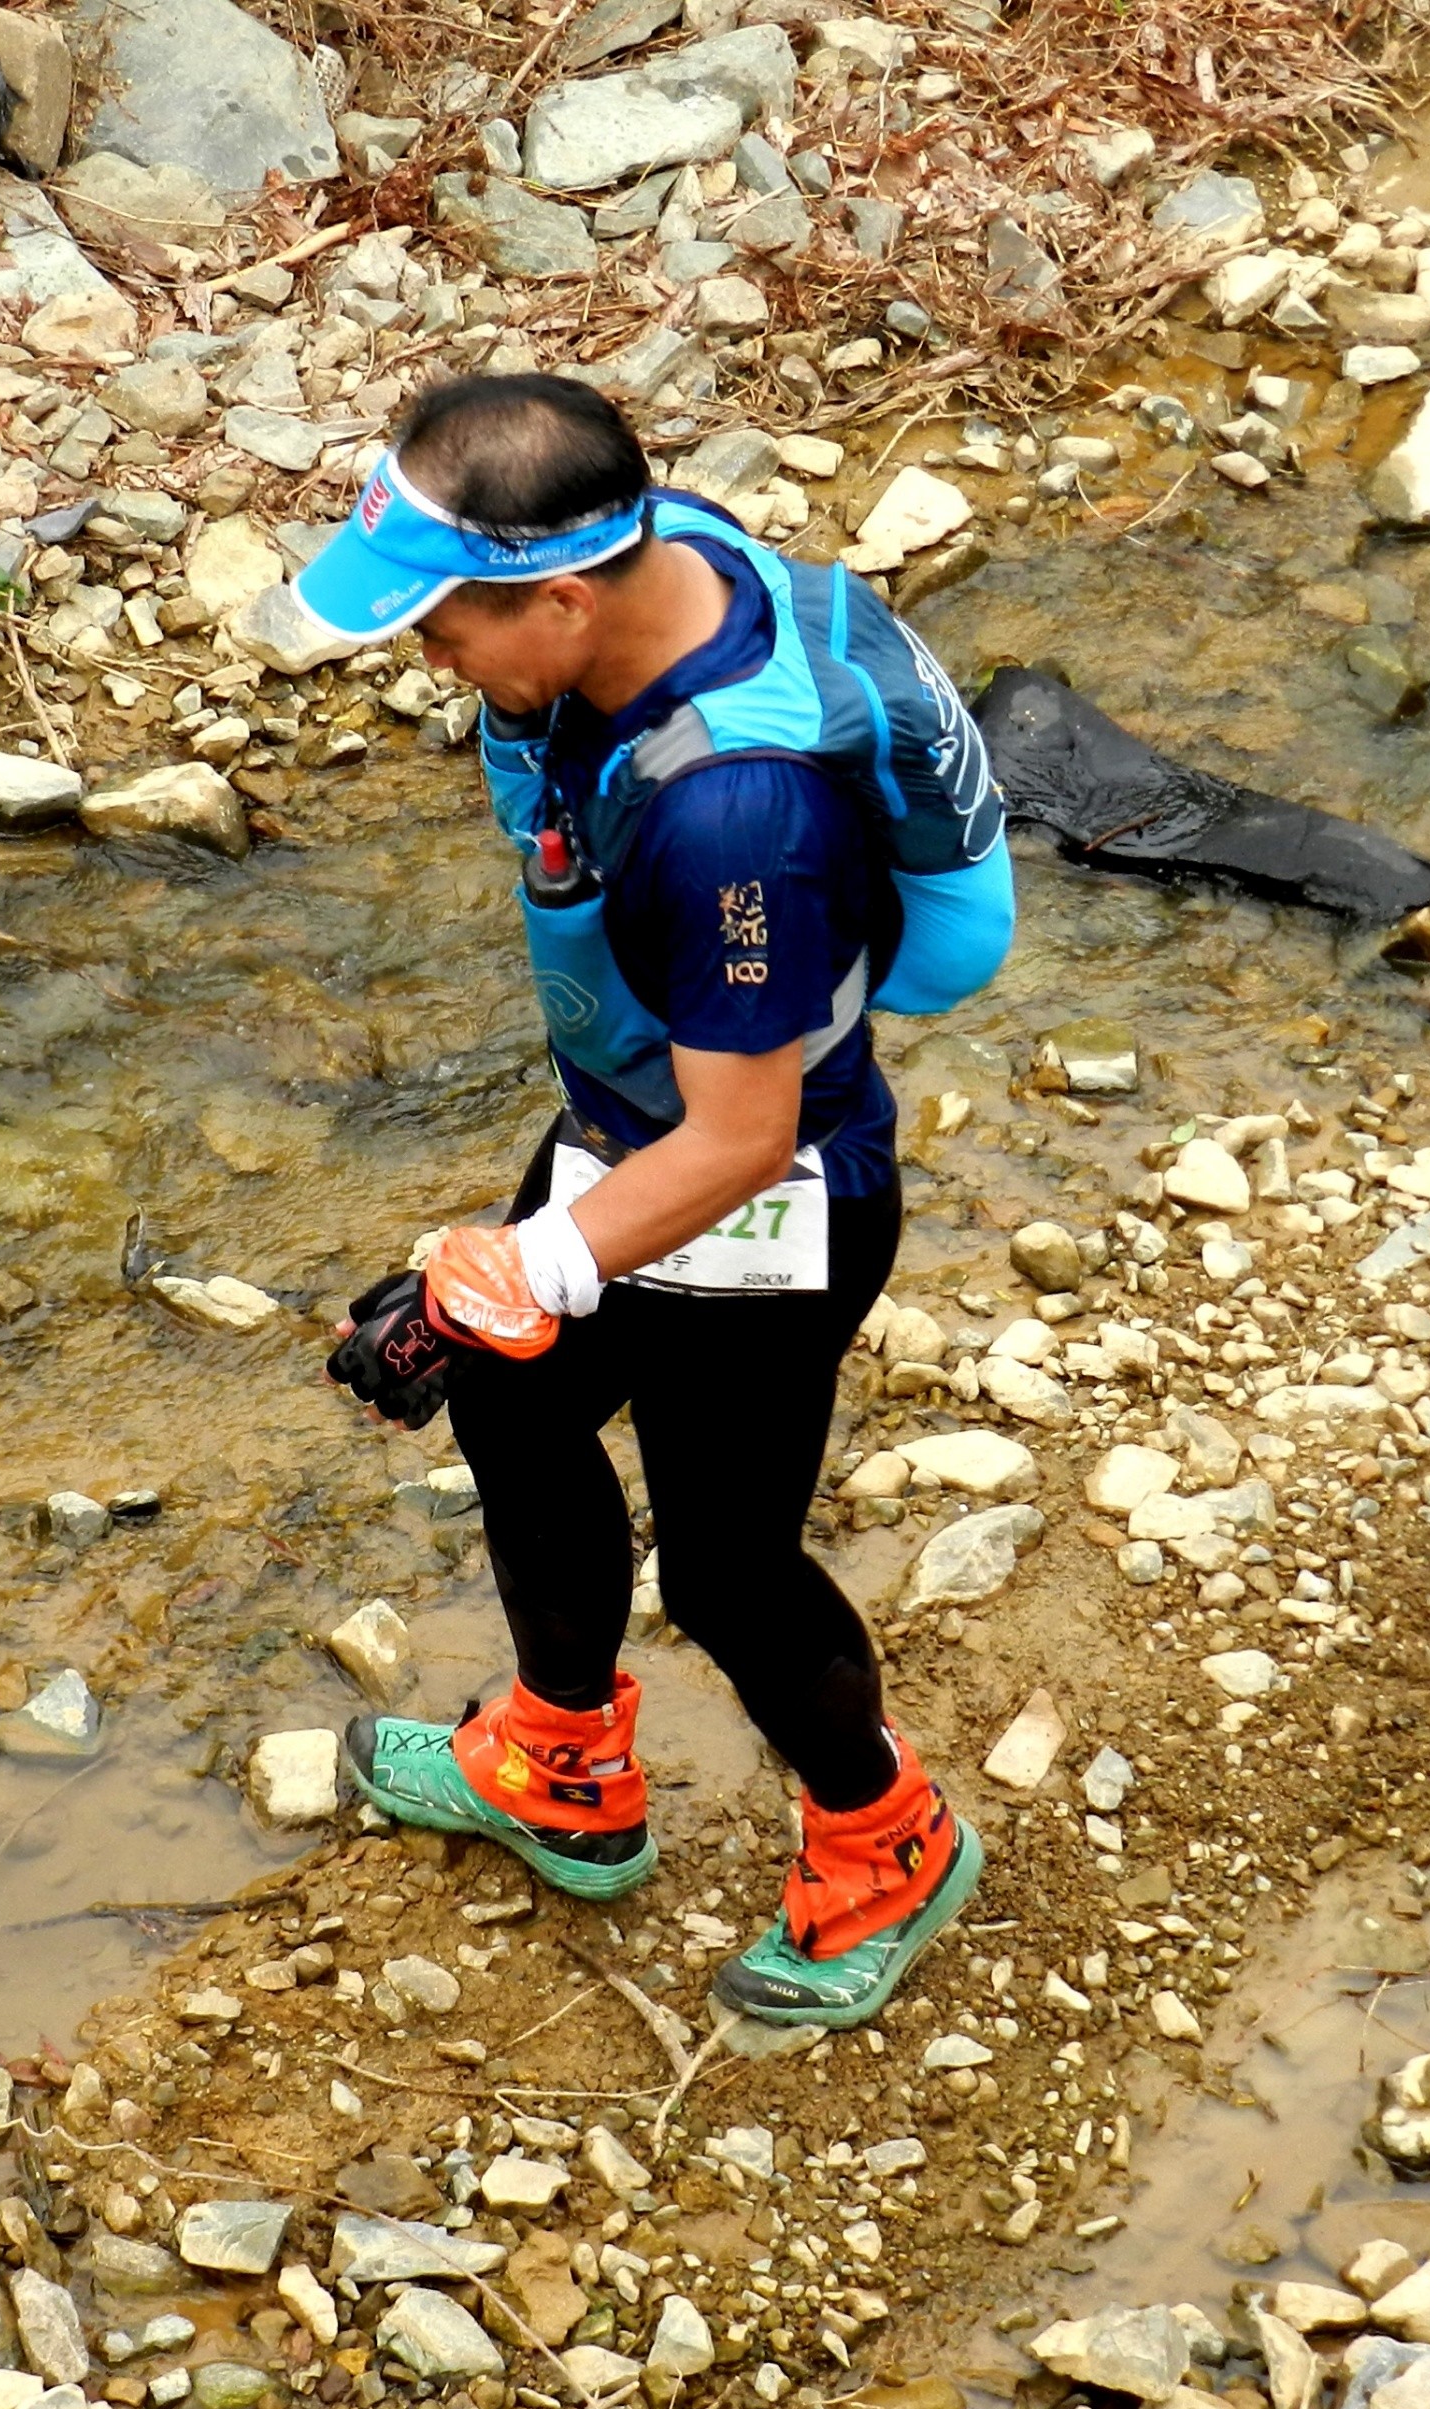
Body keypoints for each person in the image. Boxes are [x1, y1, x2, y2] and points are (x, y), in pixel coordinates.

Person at [290, 373, 1017, 2028]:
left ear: (561, 595)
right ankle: (563, 1768)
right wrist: (505, 1296)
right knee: (511, 1401)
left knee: (729, 1574)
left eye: (439, 628)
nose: (424, 662)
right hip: (627, 1131)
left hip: (770, 1199)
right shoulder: (652, 545)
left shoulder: (731, 816)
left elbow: (743, 1139)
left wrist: (528, 1260)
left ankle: (888, 1841)